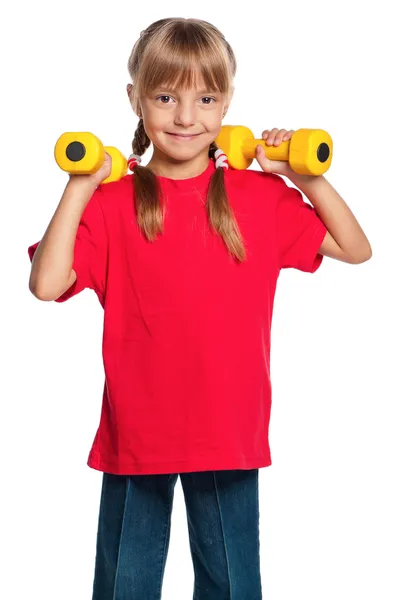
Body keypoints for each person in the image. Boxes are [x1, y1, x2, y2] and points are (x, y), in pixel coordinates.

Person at [27, 17, 372, 600]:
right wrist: (80, 185)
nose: (187, 117)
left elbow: (355, 249)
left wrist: (300, 175)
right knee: (125, 586)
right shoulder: (112, 204)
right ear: (135, 99)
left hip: (226, 429)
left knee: (232, 585)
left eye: (206, 98)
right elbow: (46, 283)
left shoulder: (260, 198)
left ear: (227, 101)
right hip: (139, 432)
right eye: (166, 97)